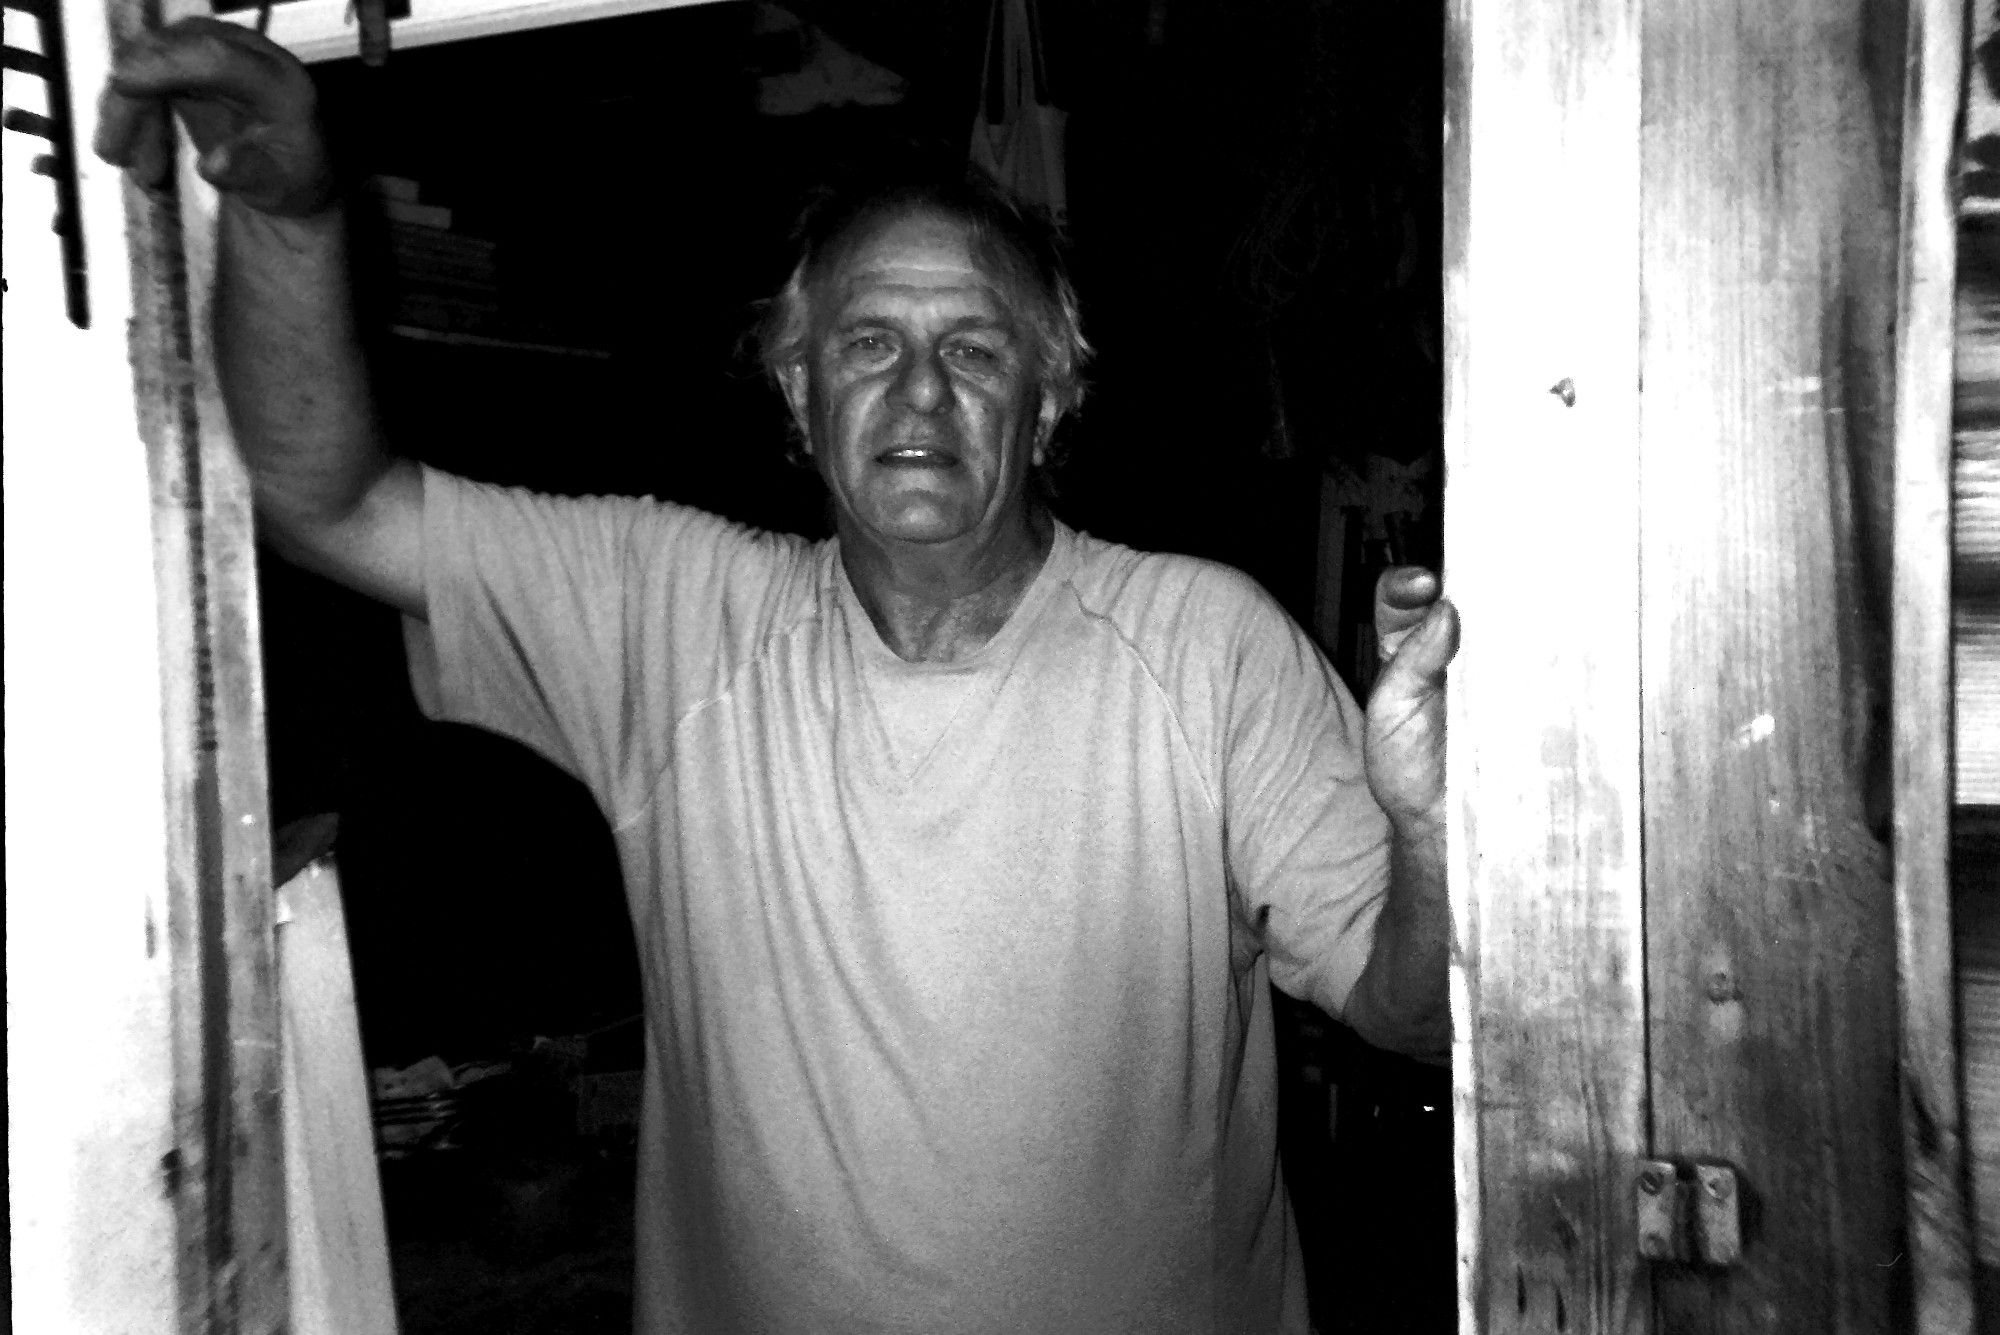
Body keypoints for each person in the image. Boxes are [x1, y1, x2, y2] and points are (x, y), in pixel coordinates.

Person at [98, 19, 1459, 1334]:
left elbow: (1415, 1017)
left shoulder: (1208, 648)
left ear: (1048, 404)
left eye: (975, 352)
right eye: (870, 345)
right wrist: (290, 213)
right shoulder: (672, 615)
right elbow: (319, 499)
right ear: (797, 393)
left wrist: (1431, 834)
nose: (921, 395)